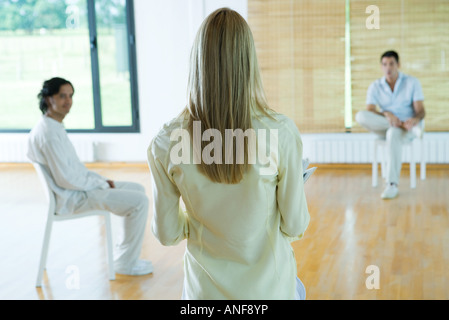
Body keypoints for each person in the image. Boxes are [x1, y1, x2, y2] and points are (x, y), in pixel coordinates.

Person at [147, 8, 309, 300]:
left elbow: (167, 233)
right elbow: (295, 225)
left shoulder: (166, 142)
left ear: (198, 62)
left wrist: (199, 221)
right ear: (249, 62)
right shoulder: (280, 133)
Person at [27, 77, 153, 276]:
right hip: (73, 198)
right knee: (140, 202)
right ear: (48, 99)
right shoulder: (48, 133)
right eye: (62, 96)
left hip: (79, 190)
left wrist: (101, 181)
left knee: (138, 190)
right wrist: (100, 184)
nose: (68, 101)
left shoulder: (54, 126)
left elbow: (75, 170)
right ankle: (124, 263)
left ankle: (124, 257)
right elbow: (66, 179)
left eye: (70, 96)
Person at [356, 51, 425, 199]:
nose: (388, 68)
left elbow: (421, 111)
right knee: (360, 115)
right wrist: (387, 115)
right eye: (385, 64)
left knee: (392, 133)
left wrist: (414, 120)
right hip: (385, 124)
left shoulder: (412, 82)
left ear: (398, 65)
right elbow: (370, 111)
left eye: (391, 64)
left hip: (407, 127)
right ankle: (401, 126)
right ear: (381, 67)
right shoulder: (375, 86)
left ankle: (392, 185)